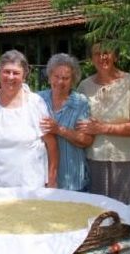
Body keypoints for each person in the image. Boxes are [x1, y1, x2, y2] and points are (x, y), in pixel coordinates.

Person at [0, 50, 58, 188]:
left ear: (24, 76)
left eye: (16, 73)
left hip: (30, 186)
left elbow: (51, 144)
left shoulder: (35, 103)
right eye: (6, 71)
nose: (10, 77)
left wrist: (51, 180)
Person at [76, 42, 130, 203]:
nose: (102, 57)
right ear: (91, 59)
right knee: (96, 209)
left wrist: (103, 128)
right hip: (94, 159)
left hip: (124, 158)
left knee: (124, 210)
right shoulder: (84, 86)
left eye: (106, 52)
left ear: (115, 56)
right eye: (97, 53)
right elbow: (80, 123)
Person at [38, 53, 94, 191]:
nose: (60, 82)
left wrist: (59, 129)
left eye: (65, 78)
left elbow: (86, 140)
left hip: (73, 179)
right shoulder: (38, 99)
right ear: (50, 76)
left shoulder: (80, 102)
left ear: (73, 80)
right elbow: (14, 94)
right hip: (41, 178)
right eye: (56, 76)